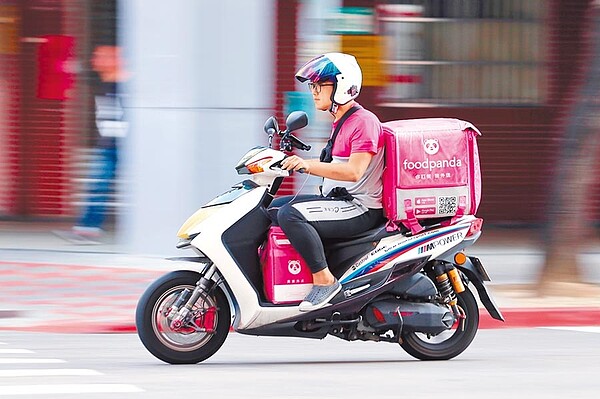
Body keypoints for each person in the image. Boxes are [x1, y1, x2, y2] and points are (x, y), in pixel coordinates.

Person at [273, 53, 386, 311]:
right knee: (272, 209)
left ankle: (324, 281)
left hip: (361, 208)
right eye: (312, 86)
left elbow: (354, 172)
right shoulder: (342, 121)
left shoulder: (363, 122)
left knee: (291, 215)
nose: (313, 92)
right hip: (343, 202)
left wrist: (306, 164)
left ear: (342, 86)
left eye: (318, 85)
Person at [58, 45, 129, 243]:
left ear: (117, 59)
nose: (94, 60)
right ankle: (88, 228)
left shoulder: (126, 85)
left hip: (124, 146)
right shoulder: (105, 83)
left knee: (100, 185)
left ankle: (88, 228)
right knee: (97, 186)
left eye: (101, 56)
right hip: (108, 145)